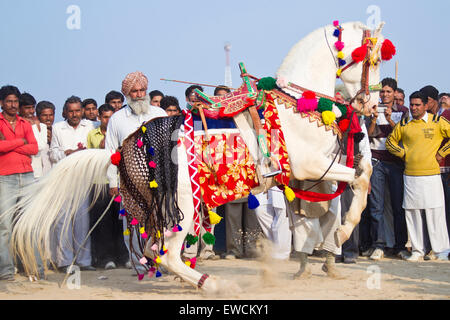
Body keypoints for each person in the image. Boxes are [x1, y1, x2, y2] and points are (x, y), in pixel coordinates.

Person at [105, 71, 167, 273]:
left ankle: (163, 263)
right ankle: (140, 265)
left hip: (158, 180)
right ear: (127, 94)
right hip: (129, 182)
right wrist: (112, 182)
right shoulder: (117, 119)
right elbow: (111, 153)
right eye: (135, 91)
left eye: (142, 90)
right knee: (132, 226)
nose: (139, 94)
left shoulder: (159, 114)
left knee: (162, 223)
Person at [386, 91, 450, 261]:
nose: (414, 108)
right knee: (412, 213)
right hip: (410, 175)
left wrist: (442, 153)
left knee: (435, 212)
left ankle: (440, 251)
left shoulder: (437, 121)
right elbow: (390, 142)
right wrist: (403, 153)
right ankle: (417, 251)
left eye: (417, 105)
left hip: (431, 175)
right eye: (412, 105)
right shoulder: (405, 123)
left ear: (425, 105)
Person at [50, 95, 96, 272]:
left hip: (83, 178)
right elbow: (53, 153)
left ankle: (84, 261)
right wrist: (67, 153)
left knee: (82, 222)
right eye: (71, 111)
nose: (75, 114)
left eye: (78, 110)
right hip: (63, 178)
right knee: (63, 222)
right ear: (65, 112)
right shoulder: (58, 128)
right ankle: (65, 261)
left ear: (82, 111)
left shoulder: (91, 126)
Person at [365, 77, 409, 260]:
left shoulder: (403, 111)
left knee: (399, 206)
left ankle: (400, 246)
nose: (384, 94)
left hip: (395, 163)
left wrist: (391, 120)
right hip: (376, 161)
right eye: (382, 91)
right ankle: (379, 245)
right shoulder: (371, 110)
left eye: (388, 92)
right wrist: (374, 120)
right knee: (376, 206)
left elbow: (405, 137)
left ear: (395, 93)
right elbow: (367, 136)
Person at [0, 85, 40, 281]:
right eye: (9, 101)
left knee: (29, 224)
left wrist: (10, 145)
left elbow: (34, 148)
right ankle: (6, 271)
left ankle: (35, 268)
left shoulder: (25, 123)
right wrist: (20, 142)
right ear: (1, 103)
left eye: (15, 101)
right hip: (4, 177)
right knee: (5, 227)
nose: (13, 105)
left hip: (26, 175)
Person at [87, 104, 128, 269]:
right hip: (99, 182)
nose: (108, 120)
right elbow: (90, 157)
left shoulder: (120, 134)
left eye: (112, 117)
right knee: (103, 223)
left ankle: (123, 257)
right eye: (105, 117)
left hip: (119, 182)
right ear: (99, 118)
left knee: (120, 221)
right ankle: (105, 258)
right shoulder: (92, 134)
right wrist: (102, 146)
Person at [18, 93, 51, 179]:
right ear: (19, 109)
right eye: (27, 108)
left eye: (33, 107)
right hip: (20, 171)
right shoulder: (16, 124)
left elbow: (40, 146)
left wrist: (34, 126)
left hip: (37, 173)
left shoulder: (40, 125)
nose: (31, 111)